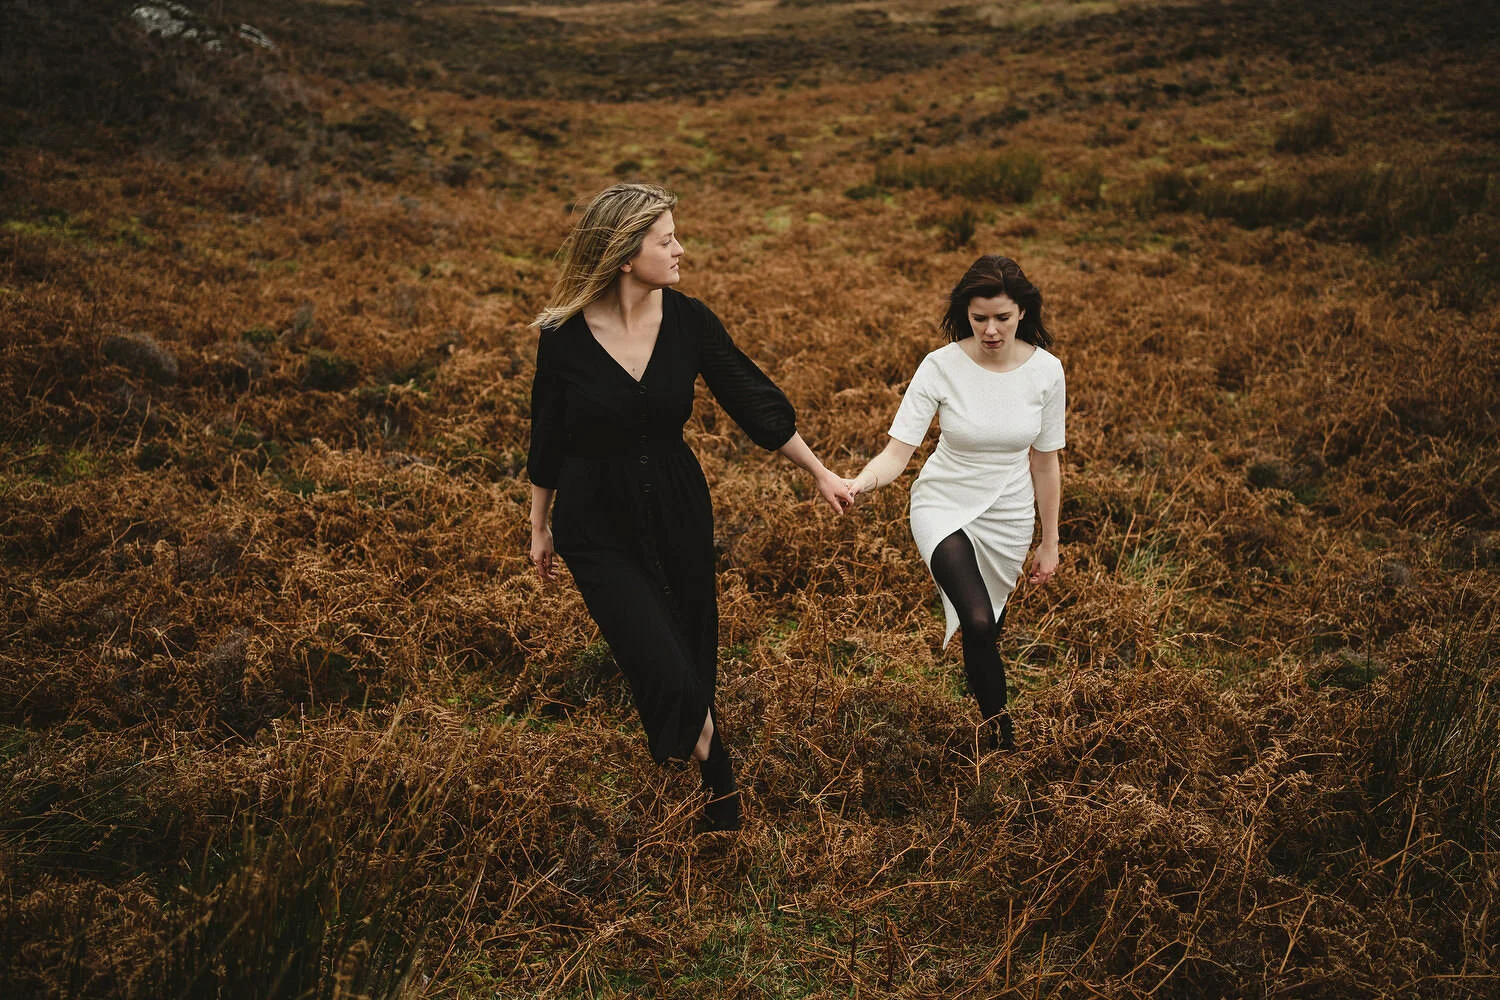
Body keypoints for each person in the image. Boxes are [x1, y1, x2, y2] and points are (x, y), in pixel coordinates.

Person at [526, 183, 853, 831]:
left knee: (689, 641)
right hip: (594, 521)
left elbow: (749, 396)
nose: (681, 248)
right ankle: (722, 784)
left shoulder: (688, 321)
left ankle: (692, 751)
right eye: (666, 239)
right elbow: (548, 437)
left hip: (677, 506)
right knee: (652, 649)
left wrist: (818, 471)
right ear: (625, 255)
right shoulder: (562, 338)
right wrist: (539, 528)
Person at [847, 255, 1064, 752]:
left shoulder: (1047, 372)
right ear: (965, 313)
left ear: (1022, 313)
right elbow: (898, 451)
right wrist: (861, 482)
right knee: (978, 620)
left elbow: (1046, 462)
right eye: (979, 317)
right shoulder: (940, 366)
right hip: (942, 503)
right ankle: (1001, 740)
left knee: (989, 629)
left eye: (1002, 318)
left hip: (1009, 513)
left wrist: (1049, 542)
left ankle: (988, 714)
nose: (990, 330)